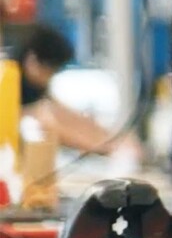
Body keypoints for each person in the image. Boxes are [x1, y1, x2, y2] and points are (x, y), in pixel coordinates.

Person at [5, 24, 130, 154]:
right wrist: (104, 148)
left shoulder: (34, 85)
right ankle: (108, 148)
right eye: (50, 71)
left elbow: (61, 111)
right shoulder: (9, 79)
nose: (50, 77)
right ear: (33, 61)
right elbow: (41, 120)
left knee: (53, 112)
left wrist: (112, 137)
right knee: (43, 117)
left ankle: (112, 144)